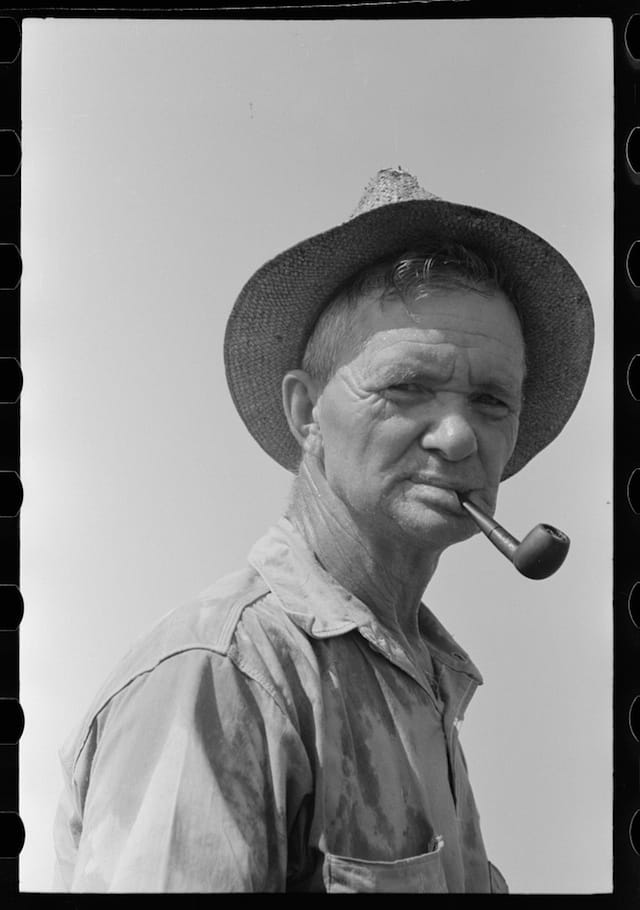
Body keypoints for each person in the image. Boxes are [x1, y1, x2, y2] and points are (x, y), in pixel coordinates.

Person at [53, 168, 594, 893]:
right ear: (307, 413)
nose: (460, 435)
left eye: (493, 399)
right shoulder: (224, 675)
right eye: (407, 386)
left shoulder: (420, 684)